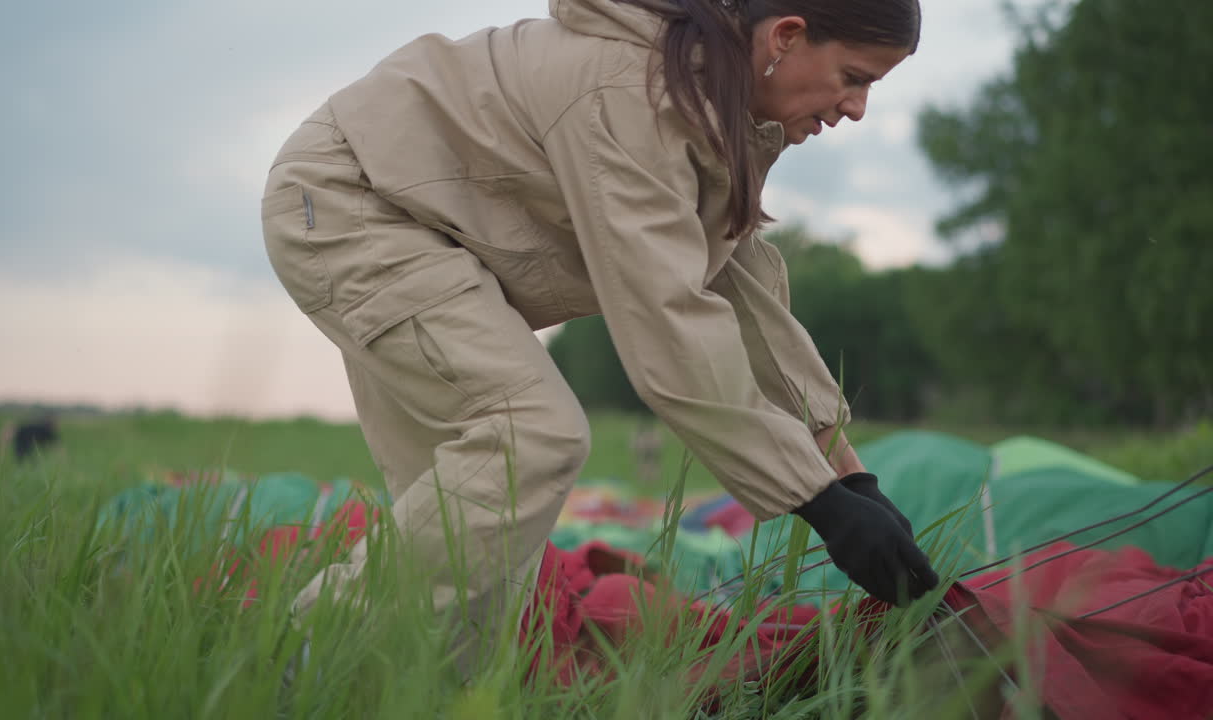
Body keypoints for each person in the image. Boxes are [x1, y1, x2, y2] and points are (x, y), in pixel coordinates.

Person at [262, 0, 938, 668]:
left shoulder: (724, 109)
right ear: (787, 36)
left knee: (483, 539)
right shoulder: (633, 93)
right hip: (356, 206)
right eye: (856, 77)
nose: (857, 109)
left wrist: (853, 482)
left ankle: (422, 696)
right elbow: (670, 323)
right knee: (533, 435)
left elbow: (744, 294)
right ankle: (298, 659)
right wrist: (817, 503)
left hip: (434, 240)